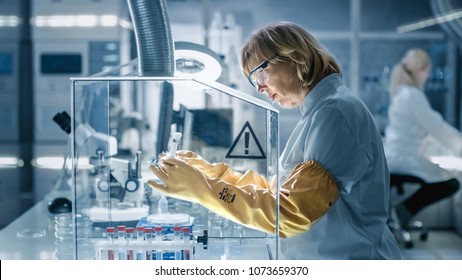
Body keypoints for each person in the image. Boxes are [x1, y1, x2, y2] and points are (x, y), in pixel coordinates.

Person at [148, 21, 402, 259]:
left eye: (259, 75)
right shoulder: (321, 111)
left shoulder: (334, 113)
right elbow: (277, 190)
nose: (259, 88)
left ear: (294, 57)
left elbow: (293, 211)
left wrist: (201, 188)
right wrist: (206, 172)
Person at [384, 48, 461, 227]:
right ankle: (403, 211)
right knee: (450, 183)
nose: (427, 76)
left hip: (396, 157)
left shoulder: (402, 93)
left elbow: (417, 129)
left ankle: (400, 212)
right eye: (427, 71)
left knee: (445, 178)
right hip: (405, 159)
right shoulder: (412, 96)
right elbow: (437, 127)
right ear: (420, 70)